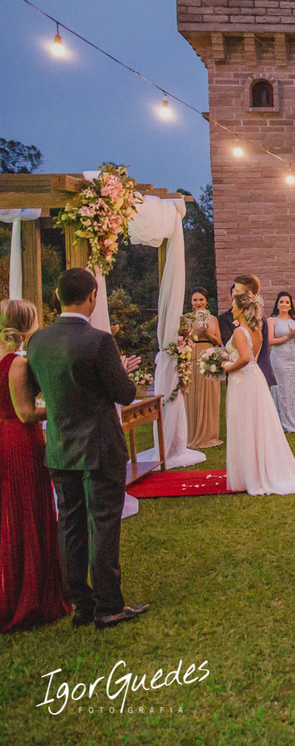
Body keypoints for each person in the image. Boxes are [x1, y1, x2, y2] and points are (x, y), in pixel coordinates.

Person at [25, 269, 148, 630]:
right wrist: (121, 371)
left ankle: (81, 604)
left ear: (57, 297)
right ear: (93, 295)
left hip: (60, 446)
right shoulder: (98, 341)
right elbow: (124, 394)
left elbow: (41, 389)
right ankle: (109, 605)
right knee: (104, 523)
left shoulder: (38, 342)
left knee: (71, 525)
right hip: (99, 446)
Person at [0, 299, 72, 631]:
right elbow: (26, 412)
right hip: (18, 442)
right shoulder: (17, 363)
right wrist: (58, 406)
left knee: (8, 515)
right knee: (27, 512)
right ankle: (28, 596)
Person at [222, 293, 295, 496]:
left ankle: (251, 474)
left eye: (233, 305)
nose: (231, 309)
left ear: (241, 309)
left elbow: (243, 359)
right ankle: (257, 469)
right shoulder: (256, 330)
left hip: (243, 379)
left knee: (245, 425)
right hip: (254, 378)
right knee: (257, 424)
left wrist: (226, 366)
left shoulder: (241, 332)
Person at [184, 287, 223, 448]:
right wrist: (196, 332)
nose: (198, 303)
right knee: (193, 393)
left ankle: (209, 434)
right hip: (192, 355)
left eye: (201, 299)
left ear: (206, 301)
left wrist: (207, 333)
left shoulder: (213, 319)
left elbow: (218, 341)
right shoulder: (185, 318)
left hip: (209, 355)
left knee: (209, 394)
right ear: (191, 302)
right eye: (195, 300)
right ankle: (191, 433)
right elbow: (182, 338)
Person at [267, 291, 295, 433]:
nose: (284, 305)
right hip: (280, 358)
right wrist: (287, 337)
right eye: (281, 302)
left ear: (291, 305)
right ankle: (284, 421)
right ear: (277, 304)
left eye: (287, 302)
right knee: (283, 388)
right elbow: (270, 341)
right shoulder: (271, 320)